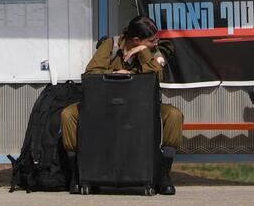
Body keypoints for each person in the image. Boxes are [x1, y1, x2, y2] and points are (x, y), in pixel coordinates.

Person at [60, 15, 184, 195]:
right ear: (135, 39)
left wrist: (142, 51)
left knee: (173, 116)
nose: (155, 42)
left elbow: (157, 76)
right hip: (105, 106)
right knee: (68, 115)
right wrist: (118, 73)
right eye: (151, 40)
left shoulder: (153, 50)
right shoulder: (111, 45)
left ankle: (163, 175)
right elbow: (92, 72)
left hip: (142, 107)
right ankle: (77, 174)